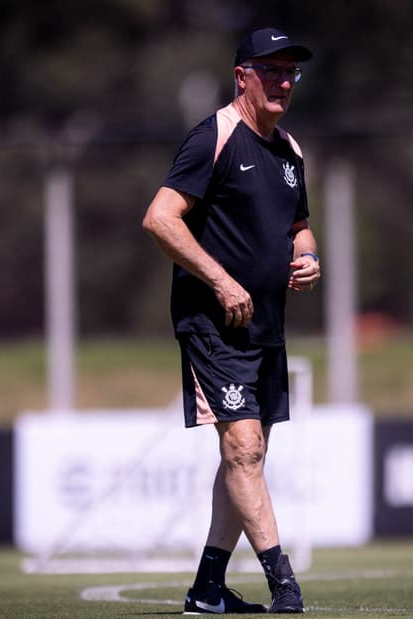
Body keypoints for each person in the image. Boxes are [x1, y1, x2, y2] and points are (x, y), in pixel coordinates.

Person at [142, 26, 320, 615]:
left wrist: (308, 256)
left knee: (247, 457)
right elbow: (161, 218)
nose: (283, 81)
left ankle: (207, 590)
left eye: (290, 72)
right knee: (244, 450)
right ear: (242, 76)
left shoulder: (290, 151)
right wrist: (220, 280)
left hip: (267, 328)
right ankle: (284, 585)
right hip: (213, 326)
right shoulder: (213, 137)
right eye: (271, 70)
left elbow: (299, 227)